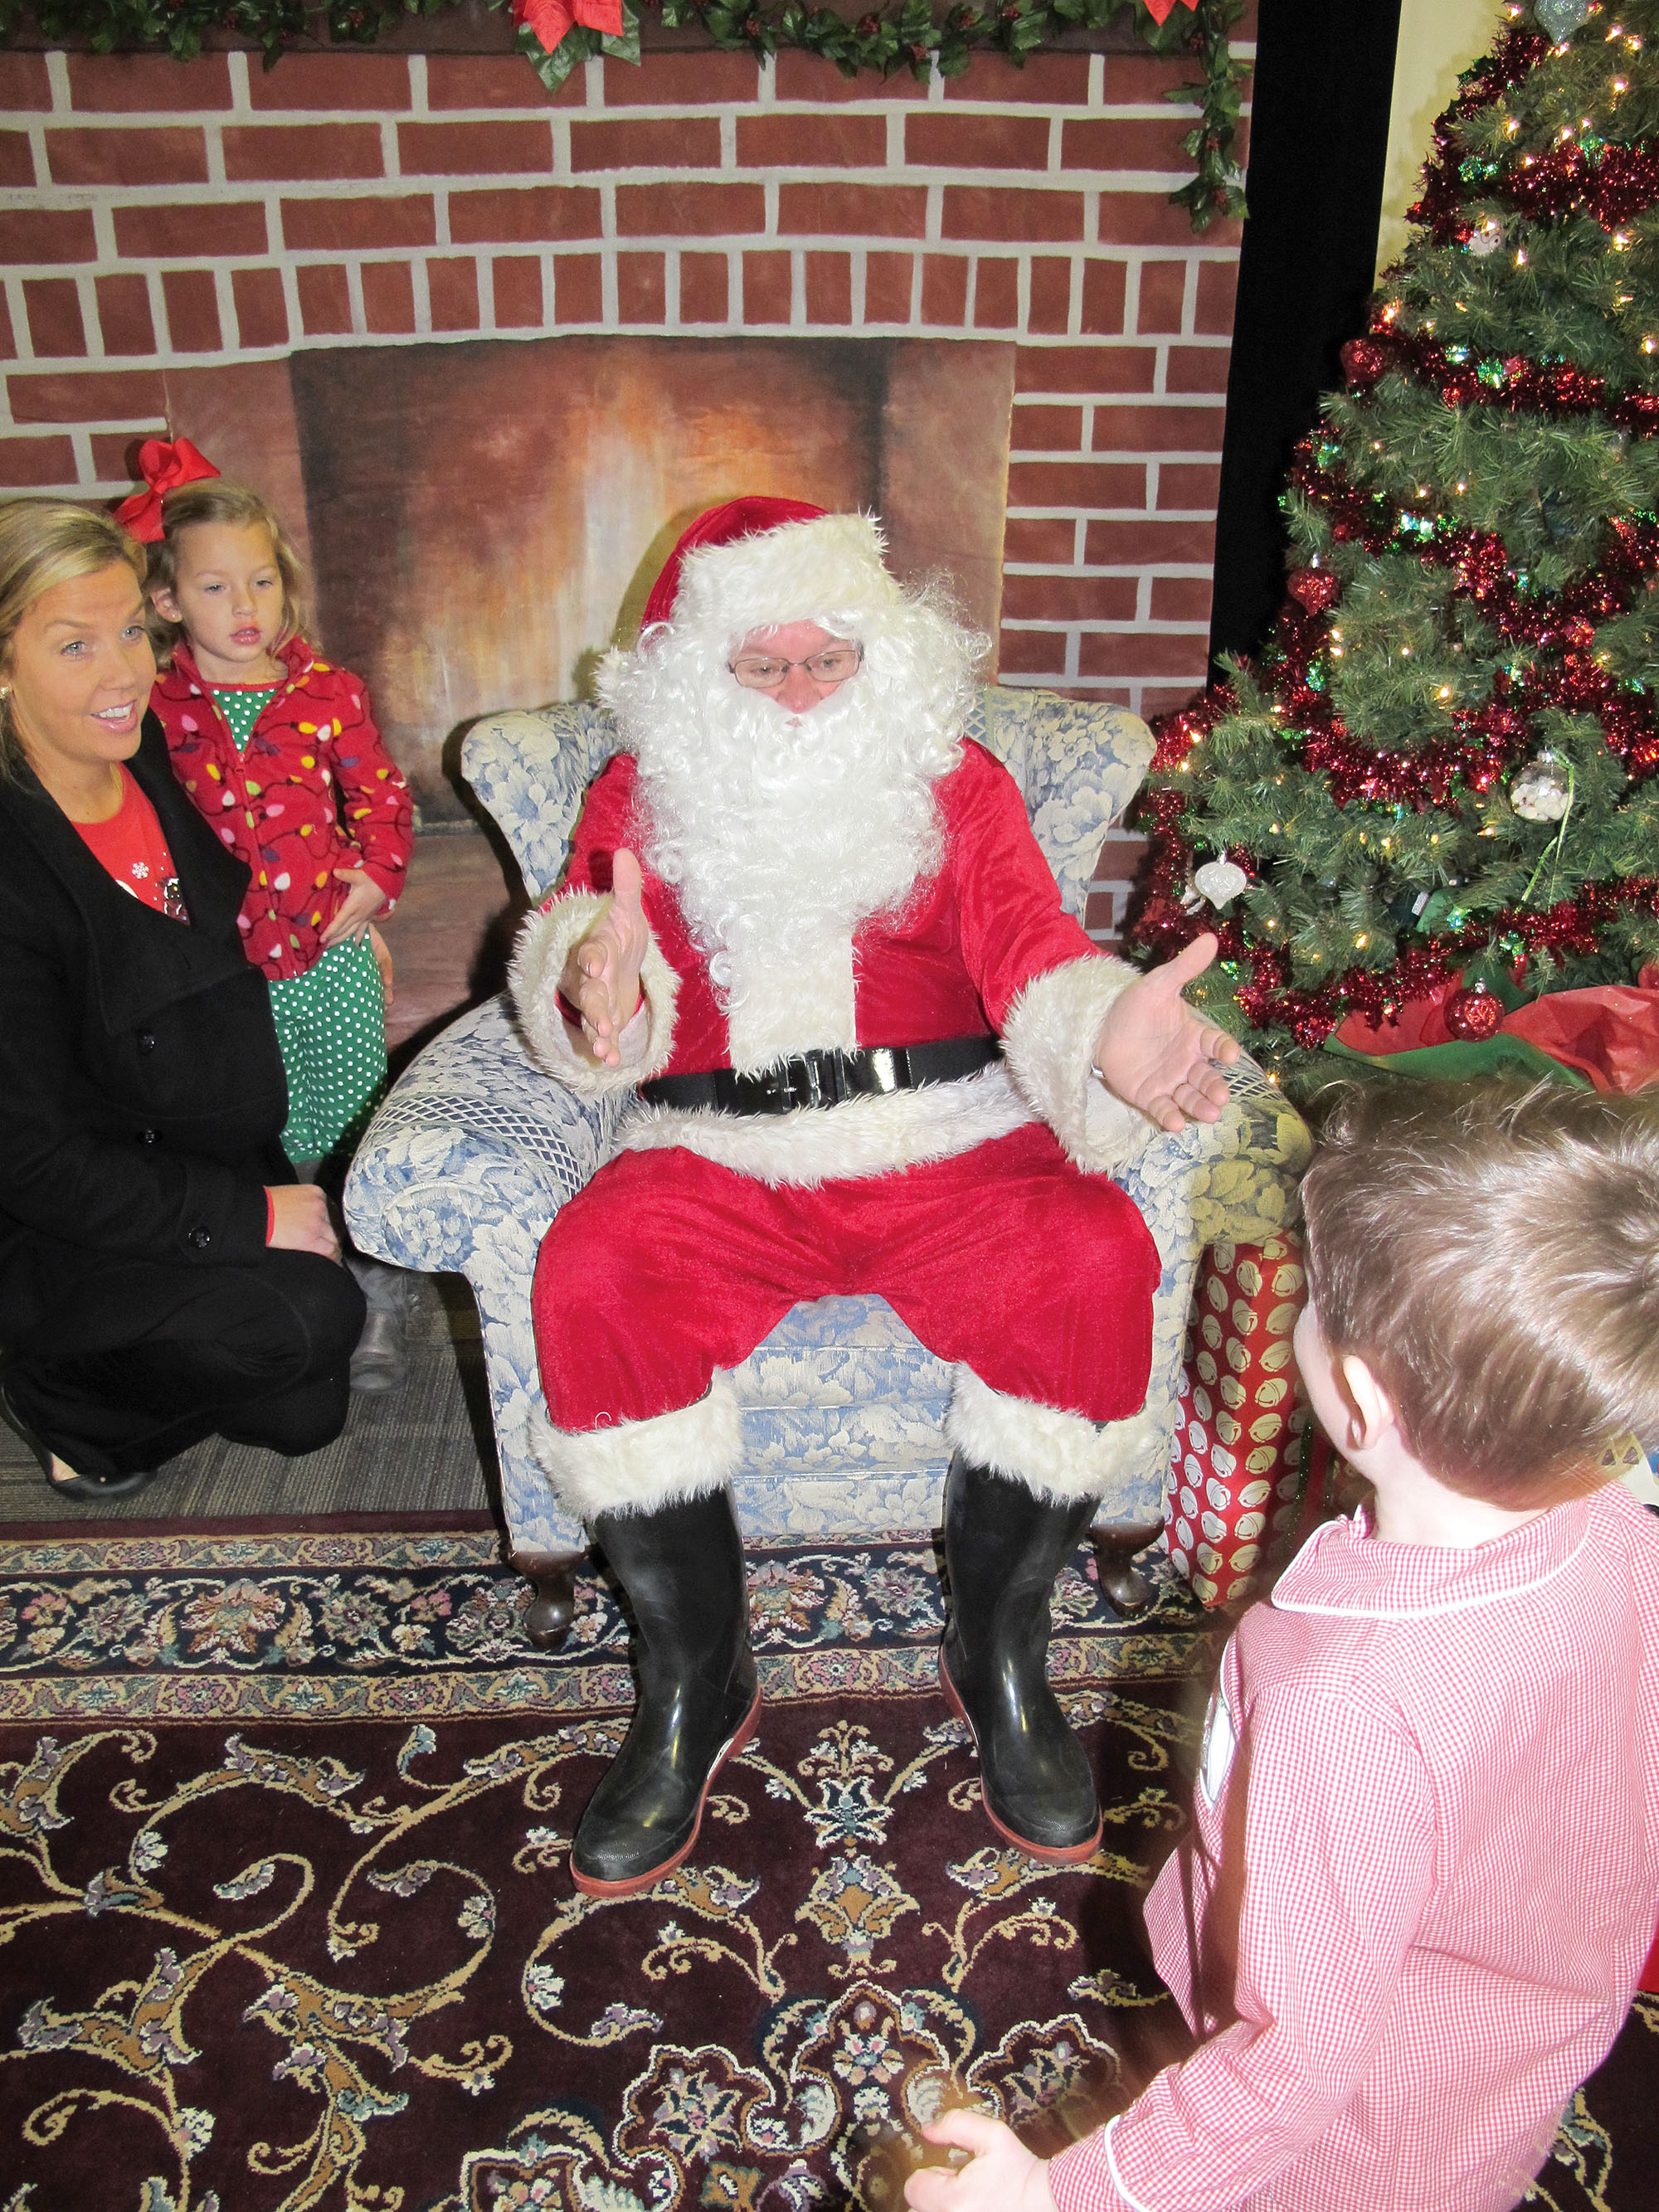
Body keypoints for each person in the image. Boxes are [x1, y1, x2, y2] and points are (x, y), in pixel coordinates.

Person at [513, 497, 1238, 1898]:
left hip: (947, 1136)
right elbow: (591, 958)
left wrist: (1109, 1035)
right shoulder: (638, 796)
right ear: (700, 673)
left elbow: (1031, 944)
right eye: (759, 665)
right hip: (717, 1151)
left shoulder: (957, 781)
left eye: (827, 658)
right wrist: (592, 989)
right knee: (594, 1273)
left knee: (1092, 1255)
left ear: (880, 651)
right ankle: (697, 1680)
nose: (797, 692)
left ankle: (1000, 1650)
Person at [903, 1079, 1659, 2212]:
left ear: (1356, 1393)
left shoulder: (1341, 1706)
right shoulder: (1622, 1529)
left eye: (1311, 1289)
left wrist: (1059, 2195)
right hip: (1508, 2044)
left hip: (1348, 2151)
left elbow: (1289, 2065)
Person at [0, 498, 364, 1501]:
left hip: (193, 1153)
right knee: (304, 1326)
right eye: (75, 646)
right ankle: (57, 1398)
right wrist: (242, 1218)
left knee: (304, 1412)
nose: (123, 674)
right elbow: (31, 1162)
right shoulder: (12, 871)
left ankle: (147, 1348)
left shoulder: (145, 752)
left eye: (131, 631)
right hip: (72, 1218)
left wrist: (340, 923)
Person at [123, 440, 416, 1392]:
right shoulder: (158, 705)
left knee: (352, 1113)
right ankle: (297, 1286)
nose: (244, 606)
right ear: (169, 601)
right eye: (215, 588)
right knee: (264, 1124)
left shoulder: (325, 691)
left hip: (329, 955)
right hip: (226, 970)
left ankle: (376, 1284)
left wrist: (375, 879)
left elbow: (382, 797)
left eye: (260, 581)